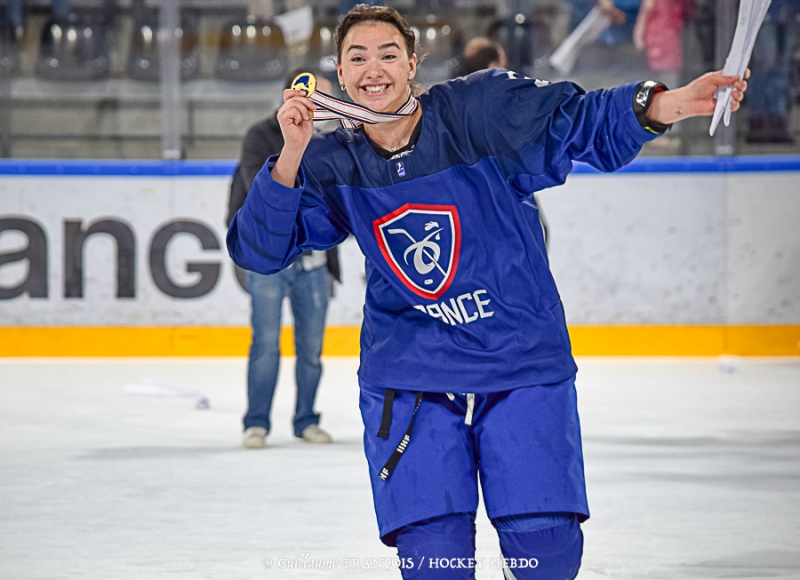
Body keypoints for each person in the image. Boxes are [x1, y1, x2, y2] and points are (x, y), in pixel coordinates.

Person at [227, 4, 748, 577]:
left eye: (387, 53)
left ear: (412, 64)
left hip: (519, 358)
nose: (372, 67)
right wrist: (293, 152)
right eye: (357, 57)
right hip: (411, 375)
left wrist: (669, 104)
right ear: (340, 73)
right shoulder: (331, 159)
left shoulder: (480, 109)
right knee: (436, 565)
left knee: (545, 559)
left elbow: (578, 120)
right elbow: (259, 249)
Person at [228, 67, 339, 449]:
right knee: (266, 344)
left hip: (313, 263)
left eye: (327, 100)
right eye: (315, 98)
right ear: (291, 95)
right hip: (271, 265)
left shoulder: (335, 142)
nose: (321, 107)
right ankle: (256, 422)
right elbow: (265, 196)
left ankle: (306, 419)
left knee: (311, 348)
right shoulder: (261, 136)